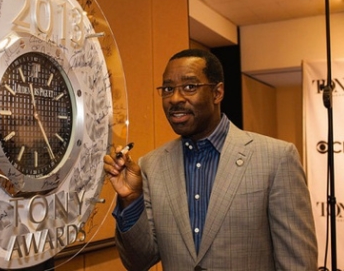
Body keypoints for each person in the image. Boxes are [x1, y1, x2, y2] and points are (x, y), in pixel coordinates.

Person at [104, 49, 318, 270]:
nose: (175, 99)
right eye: (168, 89)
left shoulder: (276, 159)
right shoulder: (151, 166)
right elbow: (138, 261)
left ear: (217, 93)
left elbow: (298, 263)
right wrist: (131, 200)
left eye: (190, 87)